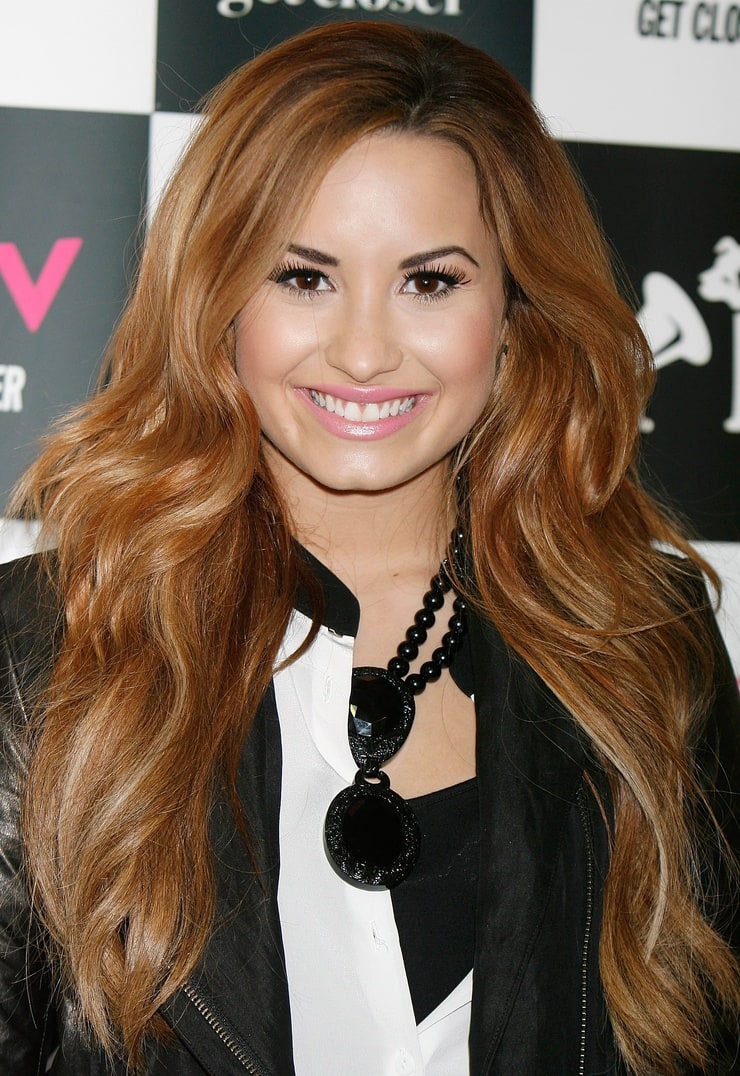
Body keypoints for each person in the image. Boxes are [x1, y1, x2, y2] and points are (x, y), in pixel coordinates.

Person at [0, 19, 737, 1075]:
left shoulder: (644, 640)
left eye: (428, 282)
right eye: (304, 278)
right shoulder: (41, 651)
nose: (361, 351)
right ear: (217, 300)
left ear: (514, 310)